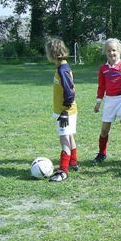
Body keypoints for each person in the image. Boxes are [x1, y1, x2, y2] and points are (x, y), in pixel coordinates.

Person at [92, 39, 121, 165]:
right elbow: (101, 86)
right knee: (104, 129)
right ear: (105, 52)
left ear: (119, 51)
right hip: (110, 101)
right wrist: (98, 102)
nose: (112, 53)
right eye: (109, 51)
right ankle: (101, 153)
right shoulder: (103, 69)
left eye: (114, 50)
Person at [45, 37, 77, 182]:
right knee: (70, 136)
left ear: (52, 54)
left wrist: (64, 111)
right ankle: (73, 163)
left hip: (65, 112)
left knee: (64, 139)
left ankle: (63, 171)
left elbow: (69, 92)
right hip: (67, 111)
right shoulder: (62, 67)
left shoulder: (63, 70)